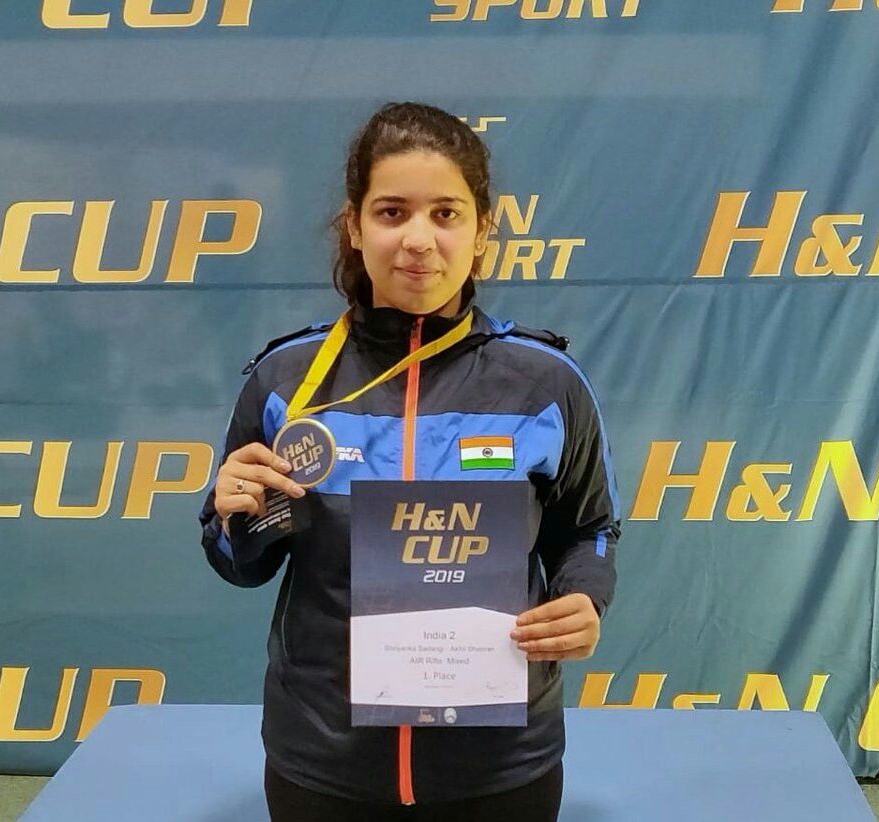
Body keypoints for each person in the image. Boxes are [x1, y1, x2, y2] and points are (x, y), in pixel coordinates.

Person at [198, 101, 619, 822]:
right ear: (354, 226)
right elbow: (243, 564)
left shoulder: (546, 384)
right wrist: (234, 518)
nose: (418, 240)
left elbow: (590, 529)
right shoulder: (285, 382)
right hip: (323, 766)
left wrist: (584, 597)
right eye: (392, 212)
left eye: (446, 213)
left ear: (483, 230)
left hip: (502, 767)